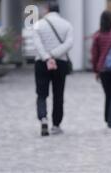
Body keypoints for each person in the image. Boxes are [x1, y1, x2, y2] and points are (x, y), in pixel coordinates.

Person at [33, 1, 73, 137]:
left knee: (41, 94)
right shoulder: (67, 25)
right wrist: (53, 55)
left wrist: (46, 57)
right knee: (58, 94)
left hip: (41, 63)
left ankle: (43, 117)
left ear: (47, 9)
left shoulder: (39, 24)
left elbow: (37, 43)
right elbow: (69, 44)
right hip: (60, 62)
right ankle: (56, 124)